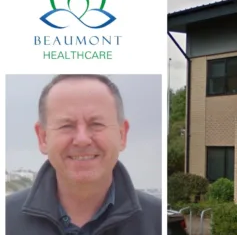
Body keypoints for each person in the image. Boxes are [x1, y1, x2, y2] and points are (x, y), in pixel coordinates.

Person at [6, 75, 161, 235]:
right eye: (67, 125)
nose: (82, 140)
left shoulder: (159, 222)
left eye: (96, 124)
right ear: (43, 138)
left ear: (122, 135)